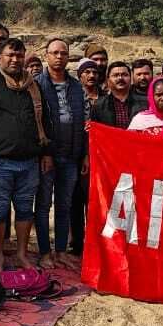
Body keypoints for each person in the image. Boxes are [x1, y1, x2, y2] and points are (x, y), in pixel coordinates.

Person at [0, 38, 52, 272]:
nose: (15, 60)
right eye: (10, 55)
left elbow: (45, 121)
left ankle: (21, 254)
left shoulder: (33, 86)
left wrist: (46, 153)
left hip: (29, 162)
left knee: (25, 210)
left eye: (19, 55)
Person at [34, 38, 86, 269]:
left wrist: (83, 154)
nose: (59, 57)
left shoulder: (76, 86)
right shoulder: (37, 84)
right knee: (43, 205)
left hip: (71, 157)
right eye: (54, 52)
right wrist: (44, 152)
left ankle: (61, 251)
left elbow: (83, 122)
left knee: (64, 206)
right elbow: (35, 123)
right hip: (47, 157)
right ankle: (45, 252)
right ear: (46, 55)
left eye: (63, 53)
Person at [71, 58, 102, 256]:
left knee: (95, 203)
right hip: (75, 154)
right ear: (79, 75)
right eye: (87, 72)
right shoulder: (73, 95)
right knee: (75, 201)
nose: (91, 76)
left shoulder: (105, 99)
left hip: (100, 158)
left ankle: (94, 244)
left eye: (94, 72)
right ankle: (77, 243)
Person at [90, 61, 146, 129]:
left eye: (124, 75)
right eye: (115, 75)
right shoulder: (99, 105)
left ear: (131, 78)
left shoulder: (145, 103)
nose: (120, 78)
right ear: (108, 80)